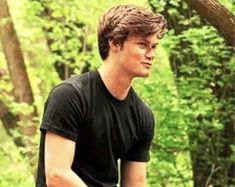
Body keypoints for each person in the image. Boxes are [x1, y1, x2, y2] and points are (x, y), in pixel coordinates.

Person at [36, 4, 167, 187]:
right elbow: (57, 175)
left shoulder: (142, 116)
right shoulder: (70, 96)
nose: (151, 54)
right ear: (114, 43)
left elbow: (135, 184)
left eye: (153, 47)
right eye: (143, 45)